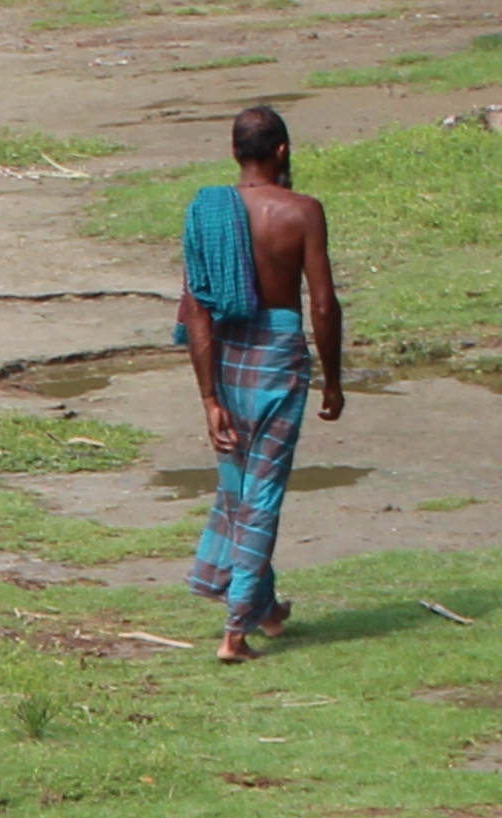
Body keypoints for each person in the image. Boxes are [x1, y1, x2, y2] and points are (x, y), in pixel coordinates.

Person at [176, 105, 344, 663]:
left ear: (233, 154)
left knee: (239, 487)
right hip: (278, 357)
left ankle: (267, 610)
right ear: (283, 152)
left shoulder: (208, 211)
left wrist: (208, 398)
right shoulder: (303, 212)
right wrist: (334, 381)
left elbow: (196, 308)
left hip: (224, 356)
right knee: (262, 492)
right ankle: (235, 630)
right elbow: (322, 304)